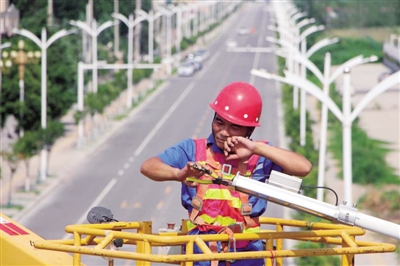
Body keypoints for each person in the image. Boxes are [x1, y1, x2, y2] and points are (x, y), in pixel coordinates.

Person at [140, 81, 312, 265]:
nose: (223, 132)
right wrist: (177, 174)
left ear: (249, 130)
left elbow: (303, 167)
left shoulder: (260, 156)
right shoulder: (192, 149)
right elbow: (148, 166)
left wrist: (256, 148)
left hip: (247, 256)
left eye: (234, 127)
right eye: (219, 122)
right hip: (200, 255)